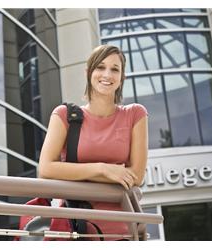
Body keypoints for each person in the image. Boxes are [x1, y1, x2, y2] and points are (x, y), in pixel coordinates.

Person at [38, 44, 148, 240]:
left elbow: (136, 176)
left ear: (122, 78)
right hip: (74, 227)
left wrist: (75, 173)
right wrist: (103, 169)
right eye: (100, 67)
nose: (107, 74)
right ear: (88, 71)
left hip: (121, 230)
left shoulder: (135, 114)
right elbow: (46, 168)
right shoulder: (64, 115)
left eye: (115, 69)